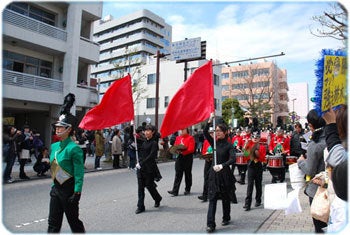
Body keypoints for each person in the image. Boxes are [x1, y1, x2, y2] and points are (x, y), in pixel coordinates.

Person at [48, 94, 85, 232]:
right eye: (57, 126)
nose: (57, 129)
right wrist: (53, 185)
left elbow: (79, 173)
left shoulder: (74, 149)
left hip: (69, 191)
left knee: (74, 223)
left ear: (69, 129)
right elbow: (54, 169)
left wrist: (77, 192)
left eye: (61, 127)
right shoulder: (54, 147)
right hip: (56, 190)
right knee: (52, 224)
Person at [297, 109, 327, 233]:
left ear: (312, 125)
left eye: (309, 125)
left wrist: (301, 162)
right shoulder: (333, 139)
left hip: (317, 190)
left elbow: (310, 170)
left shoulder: (315, 145)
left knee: (319, 227)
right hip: (333, 188)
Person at [204, 114, 236, 233]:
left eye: (218, 131)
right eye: (215, 131)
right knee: (212, 198)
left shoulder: (229, 145)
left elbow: (233, 159)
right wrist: (209, 121)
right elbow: (205, 132)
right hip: (214, 175)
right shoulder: (214, 144)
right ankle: (210, 224)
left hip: (225, 174)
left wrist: (222, 165)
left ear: (225, 132)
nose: (216, 133)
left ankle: (226, 217)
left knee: (225, 198)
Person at [135, 125, 162, 214]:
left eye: (148, 130)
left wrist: (142, 163)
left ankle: (157, 198)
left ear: (153, 132)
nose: (146, 132)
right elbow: (141, 154)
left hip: (149, 169)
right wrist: (138, 163)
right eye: (145, 131)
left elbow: (151, 156)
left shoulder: (154, 143)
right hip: (141, 168)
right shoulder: (143, 143)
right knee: (140, 188)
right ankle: (140, 206)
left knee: (149, 186)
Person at [167, 127, 195, 196]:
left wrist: (183, 152)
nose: (181, 131)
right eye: (180, 130)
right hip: (179, 157)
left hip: (187, 157)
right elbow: (175, 146)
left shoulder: (190, 138)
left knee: (187, 173)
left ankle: (187, 189)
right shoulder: (178, 138)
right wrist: (176, 151)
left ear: (187, 130)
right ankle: (175, 190)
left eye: (183, 129)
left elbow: (191, 149)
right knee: (178, 173)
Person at [243, 133, 266, 211]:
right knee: (250, 185)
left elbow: (263, 159)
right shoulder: (249, 146)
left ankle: (258, 200)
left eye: (257, 137)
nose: (255, 138)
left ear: (259, 139)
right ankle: (247, 204)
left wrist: (258, 155)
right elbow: (245, 156)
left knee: (258, 184)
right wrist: (245, 147)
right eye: (253, 137)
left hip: (258, 166)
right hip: (251, 166)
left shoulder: (262, 147)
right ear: (251, 138)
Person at [198, 127, 214, 202]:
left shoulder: (217, 141)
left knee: (213, 178)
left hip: (214, 161)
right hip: (207, 161)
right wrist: (206, 157)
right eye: (210, 133)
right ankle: (205, 194)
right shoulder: (206, 141)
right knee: (206, 177)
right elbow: (203, 151)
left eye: (212, 133)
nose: (211, 134)